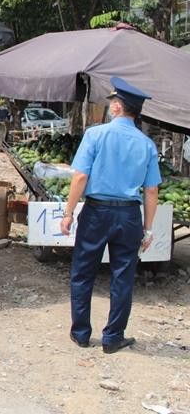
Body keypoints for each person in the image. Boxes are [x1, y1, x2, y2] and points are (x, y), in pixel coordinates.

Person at [60, 77, 160, 354]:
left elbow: (80, 177)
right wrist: (148, 229)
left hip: (96, 212)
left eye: (112, 103)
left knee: (83, 272)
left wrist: (68, 212)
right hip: (129, 216)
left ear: (116, 107)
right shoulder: (147, 144)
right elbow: (152, 190)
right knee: (123, 276)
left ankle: (81, 334)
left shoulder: (95, 135)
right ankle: (113, 337)